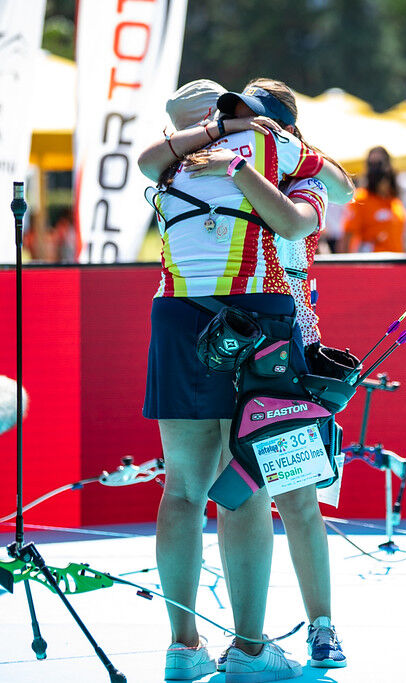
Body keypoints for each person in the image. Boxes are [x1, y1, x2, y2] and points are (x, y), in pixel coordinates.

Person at [138, 78, 352, 681]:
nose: (237, 121)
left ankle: (295, 629)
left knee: (227, 491)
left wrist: (239, 151)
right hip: (255, 320)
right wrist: (232, 155)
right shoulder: (216, 155)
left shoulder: (241, 157)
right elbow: (306, 206)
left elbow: (338, 188)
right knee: (243, 489)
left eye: (245, 114)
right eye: (228, 113)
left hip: (219, 325)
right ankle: (250, 651)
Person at [342, 146, 406, 252]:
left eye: (380, 164)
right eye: (372, 165)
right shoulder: (361, 198)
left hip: (397, 263)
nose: (376, 170)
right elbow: (347, 238)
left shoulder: (395, 201)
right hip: (372, 264)